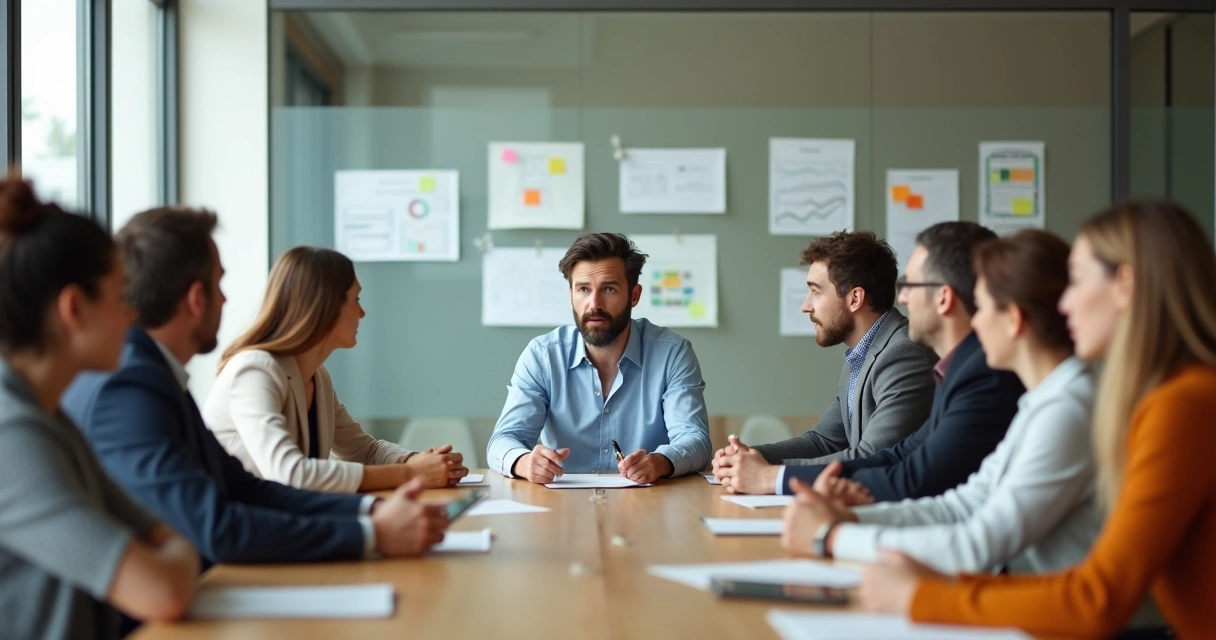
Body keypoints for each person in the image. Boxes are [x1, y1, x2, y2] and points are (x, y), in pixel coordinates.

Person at [862, 199, 1216, 639]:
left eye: (1078, 281)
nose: (1064, 304)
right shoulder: (1164, 397)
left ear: (1125, 284)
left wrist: (920, 596)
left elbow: (1098, 598)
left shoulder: (1184, 404)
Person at [64, 208, 449, 568]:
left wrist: (371, 513)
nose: (227, 298)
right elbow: (219, 527)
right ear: (197, 299)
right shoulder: (134, 387)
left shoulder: (158, 377)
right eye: (219, 284)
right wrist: (373, 532)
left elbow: (247, 490)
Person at [782, 229, 1102, 574]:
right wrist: (850, 518)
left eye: (982, 308)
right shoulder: (1041, 402)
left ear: (1013, 319)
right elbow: (962, 506)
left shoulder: (1067, 408)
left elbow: (978, 543)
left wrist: (834, 535)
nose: (974, 323)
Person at [0, 177, 199, 640]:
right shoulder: (12, 433)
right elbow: (161, 590)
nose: (132, 315)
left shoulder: (48, 415)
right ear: (74, 308)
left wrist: (173, 556)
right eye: (121, 296)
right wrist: (174, 559)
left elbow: (166, 541)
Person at [747, 222, 1026, 500]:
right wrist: (753, 457)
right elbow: (851, 446)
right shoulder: (877, 357)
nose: (902, 297)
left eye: (910, 284)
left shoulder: (914, 356)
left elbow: (901, 470)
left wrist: (772, 476)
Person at [205, 246, 468, 493]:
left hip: (288, 522)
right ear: (326, 307)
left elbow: (364, 451)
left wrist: (417, 460)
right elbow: (289, 474)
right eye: (356, 298)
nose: (362, 313)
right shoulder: (254, 372)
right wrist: (410, 474)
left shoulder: (317, 376)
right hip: (241, 531)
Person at [711, 231, 937, 495]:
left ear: (855, 298)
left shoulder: (903, 355)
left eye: (815, 292)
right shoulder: (862, 354)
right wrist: (750, 456)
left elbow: (873, 456)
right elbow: (824, 441)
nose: (806, 306)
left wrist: (766, 474)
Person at [486, 232, 712, 484]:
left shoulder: (673, 353)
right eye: (583, 289)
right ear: (571, 294)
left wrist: (661, 462)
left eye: (609, 289)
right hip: (563, 506)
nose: (594, 304)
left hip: (647, 502)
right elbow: (503, 440)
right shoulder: (542, 356)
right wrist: (524, 462)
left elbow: (696, 440)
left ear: (634, 295)